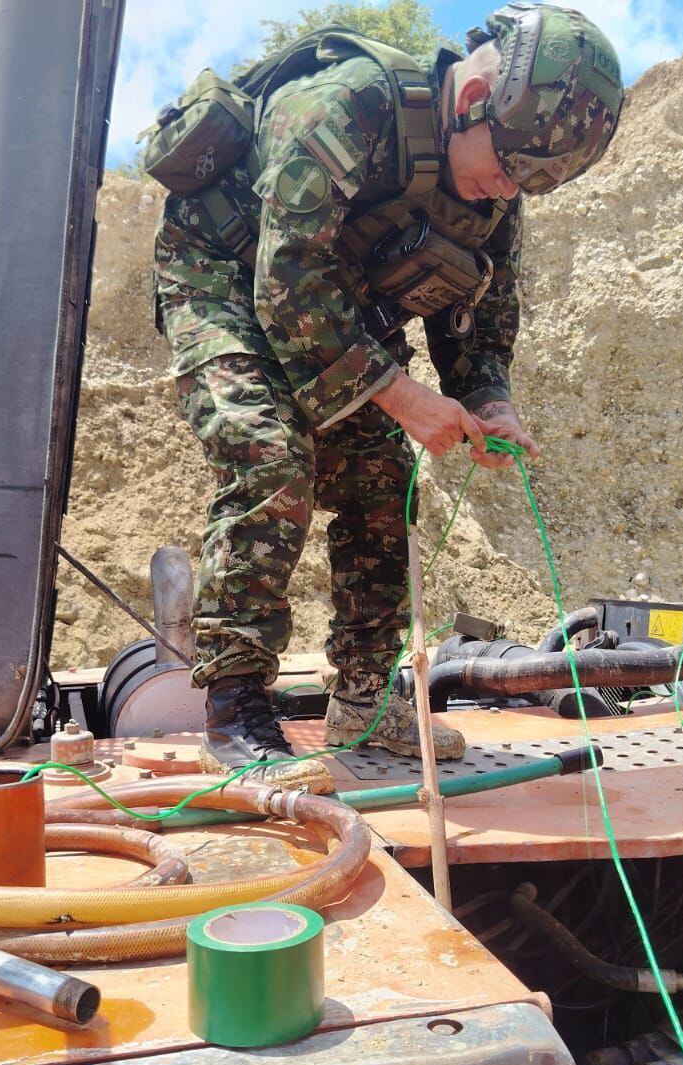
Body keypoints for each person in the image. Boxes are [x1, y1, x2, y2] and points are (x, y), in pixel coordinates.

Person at [150, 3, 625, 793]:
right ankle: (235, 711)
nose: (507, 190)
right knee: (270, 459)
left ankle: (364, 703)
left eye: (525, 181)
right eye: (506, 166)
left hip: (333, 311)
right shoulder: (346, 104)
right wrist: (403, 397)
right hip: (223, 283)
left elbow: (479, 320)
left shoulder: (499, 190)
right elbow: (286, 280)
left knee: (383, 483)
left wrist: (489, 398)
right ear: (473, 96)